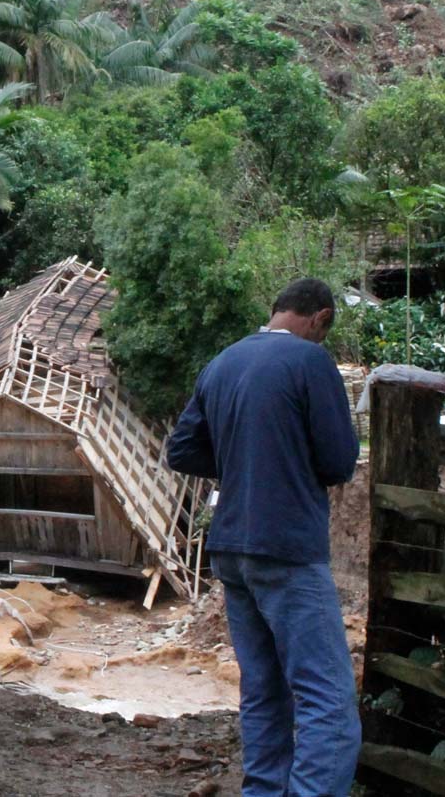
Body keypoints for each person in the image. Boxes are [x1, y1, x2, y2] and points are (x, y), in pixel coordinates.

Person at [165, 278, 361, 797]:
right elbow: (340, 461)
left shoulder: (223, 362)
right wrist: (286, 459)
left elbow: (180, 451)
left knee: (263, 689)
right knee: (330, 701)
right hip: (288, 546)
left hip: (231, 547)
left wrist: (241, 459)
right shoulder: (311, 363)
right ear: (319, 319)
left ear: (274, 311)